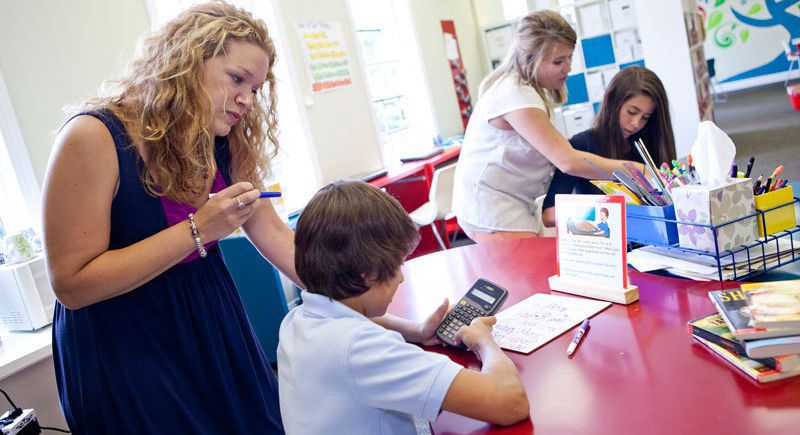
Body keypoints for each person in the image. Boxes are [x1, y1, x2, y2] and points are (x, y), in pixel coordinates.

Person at [42, 2, 295, 432]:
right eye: (237, 79)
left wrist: (368, 303)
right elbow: (72, 284)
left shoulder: (224, 139)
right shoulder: (93, 137)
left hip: (210, 324)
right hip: (126, 345)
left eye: (255, 88)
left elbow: (279, 239)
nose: (247, 100)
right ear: (187, 61)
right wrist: (199, 230)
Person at [278, 180, 529, 434]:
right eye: (397, 266)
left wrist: (416, 331)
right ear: (370, 274)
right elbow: (510, 403)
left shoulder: (296, 321)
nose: (400, 278)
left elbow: (351, 321)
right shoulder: (365, 350)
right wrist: (484, 341)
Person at [452, 10, 646, 243]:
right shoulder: (515, 95)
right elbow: (568, 161)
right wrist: (635, 170)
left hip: (510, 204)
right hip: (491, 208)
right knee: (529, 264)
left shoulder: (525, 90)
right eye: (558, 61)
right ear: (531, 58)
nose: (568, 68)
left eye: (569, 57)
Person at [542, 66, 676, 227]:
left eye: (645, 117)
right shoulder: (580, 145)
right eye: (632, 112)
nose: (636, 123)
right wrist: (602, 210)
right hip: (603, 237)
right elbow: (548, 215)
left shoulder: (647, 144)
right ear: (613, 102)